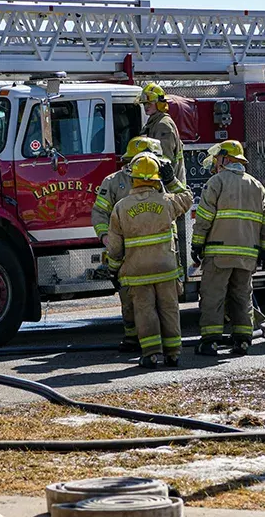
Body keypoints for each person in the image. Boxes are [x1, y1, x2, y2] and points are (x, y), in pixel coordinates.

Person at [106, 155, 194, 368]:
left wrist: (114, 270)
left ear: (134, 179)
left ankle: (151, 354)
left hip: (137, 272)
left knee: (145, 311)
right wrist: (172, 179)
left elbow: (115, 248)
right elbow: (188, 198)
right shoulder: (166, 202)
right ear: (156, 179)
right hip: (166, 270)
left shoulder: (121, 207)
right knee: (169, 309)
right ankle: (173, 353)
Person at [191, 141, 265, 356]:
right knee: (242, 296)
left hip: (219, 253)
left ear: (226, 159)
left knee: (213, 296)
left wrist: (197, 243)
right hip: (247, 256)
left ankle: (210, 342)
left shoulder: (216, 182)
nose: (216, 162)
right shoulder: (257, 185)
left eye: (218, 158)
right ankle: (243, 341)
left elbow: (204, 217)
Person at [92, 136, 169, 351]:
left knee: (161, 300)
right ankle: (132, 338)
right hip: (127, 252)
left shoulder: (159, 180)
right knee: (129, 298)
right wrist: (106, 237)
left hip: (156, 249)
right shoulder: (114, 181)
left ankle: (158, 340)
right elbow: (99, 212)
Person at [138, 83, 186, 185]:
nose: (146, 106)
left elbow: (164, 160)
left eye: (149, 103)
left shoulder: (162, 125)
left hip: (167, 185)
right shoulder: (154, 122)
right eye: (144, 104)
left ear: (159, 103)